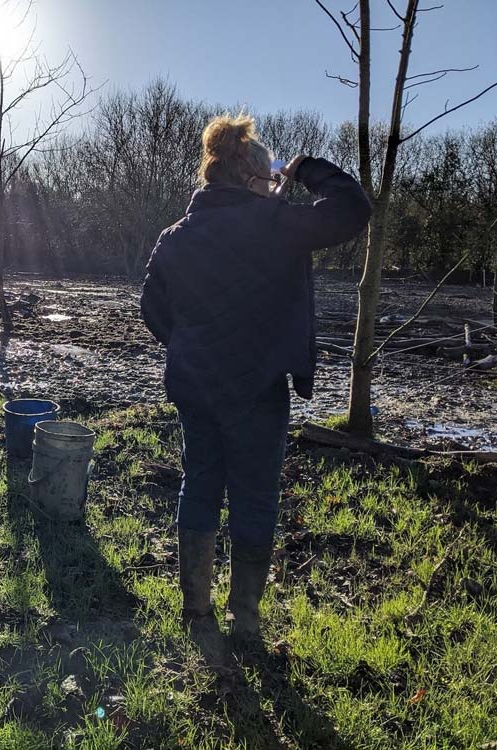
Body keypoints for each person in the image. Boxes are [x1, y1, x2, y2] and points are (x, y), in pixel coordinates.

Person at [140, 114, 371, 637]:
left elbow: (151, 309)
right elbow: (353, 208)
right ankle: (243, 620)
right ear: (251, 179)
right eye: (269, 180)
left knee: (200, 485)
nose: (274, 188)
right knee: (255, 497)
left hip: (196, 385)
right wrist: (304, 168)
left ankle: (196, 612)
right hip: (258, 388)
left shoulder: (176, 236)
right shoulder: (277, 225)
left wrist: (188, 344)